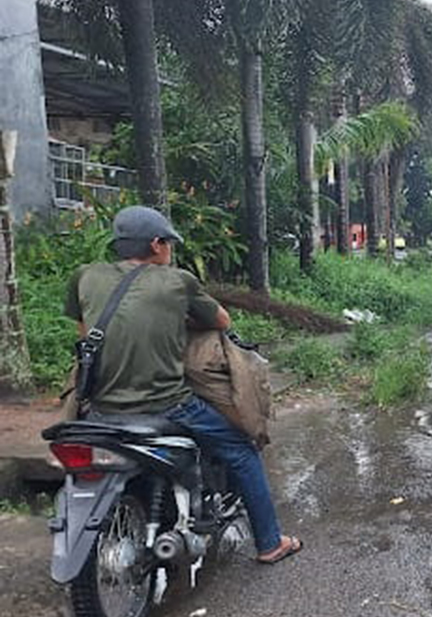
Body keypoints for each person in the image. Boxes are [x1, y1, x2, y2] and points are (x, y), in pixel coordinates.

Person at [63, 206, 302, 564]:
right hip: (167, 404)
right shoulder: (176, 280)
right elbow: (222, 320)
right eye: (169, 244)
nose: (170, 250)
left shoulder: (85, 276)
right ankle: (270, 543)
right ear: (157, 244)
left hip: (98, 406)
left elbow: (86, 334)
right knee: (242, 450)